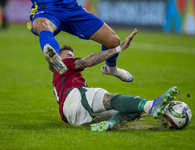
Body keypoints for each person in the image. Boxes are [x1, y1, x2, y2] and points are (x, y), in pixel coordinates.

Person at [47, 29, 178, 131]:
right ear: (57, 58)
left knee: (132, 107)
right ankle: (151, 105)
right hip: (74, 99)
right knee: (112, 99)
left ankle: (110, 124)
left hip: (73, 117)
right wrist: (119, 48)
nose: (72, 57)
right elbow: (87, 62)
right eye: (69, 55)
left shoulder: (61, 80)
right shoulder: (62, 64)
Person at [27, 0, 133, 82]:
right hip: (46, 10)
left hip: (72, 8)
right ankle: (56, 59)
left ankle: (111, 68)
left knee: (113, 41)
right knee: (42, 25)